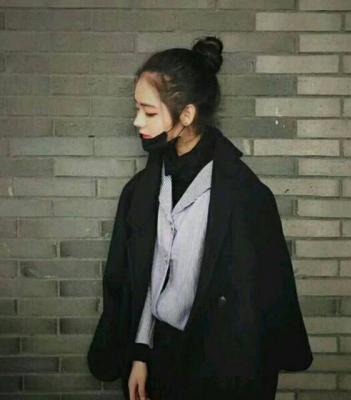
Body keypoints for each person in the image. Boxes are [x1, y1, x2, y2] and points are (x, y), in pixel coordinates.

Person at [87, 36, 313, 400]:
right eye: (137, 108)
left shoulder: (245, 196)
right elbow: (138, 282)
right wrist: (140, 354)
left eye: (149, 111)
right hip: (160, 359)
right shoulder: (141, 192)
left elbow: (263, 296)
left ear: (187, 115)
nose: (136, 120)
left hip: (222, 370)